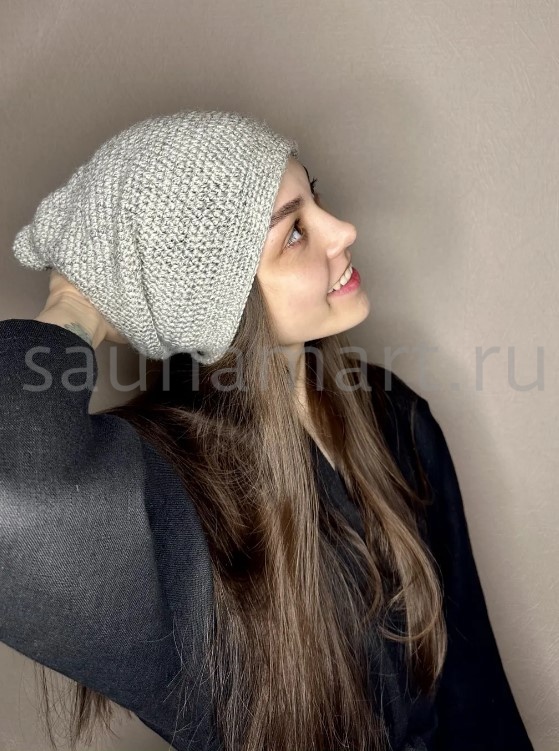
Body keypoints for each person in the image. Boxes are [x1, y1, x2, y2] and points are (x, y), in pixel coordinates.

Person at [0, 110, 533, 751]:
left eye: (317, 197)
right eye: (294, 233)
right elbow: (13, 492)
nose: (343, 230)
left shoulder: (392, 416)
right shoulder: (168, 497)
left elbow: (475, 692)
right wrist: (73, 304)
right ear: (214, 299)